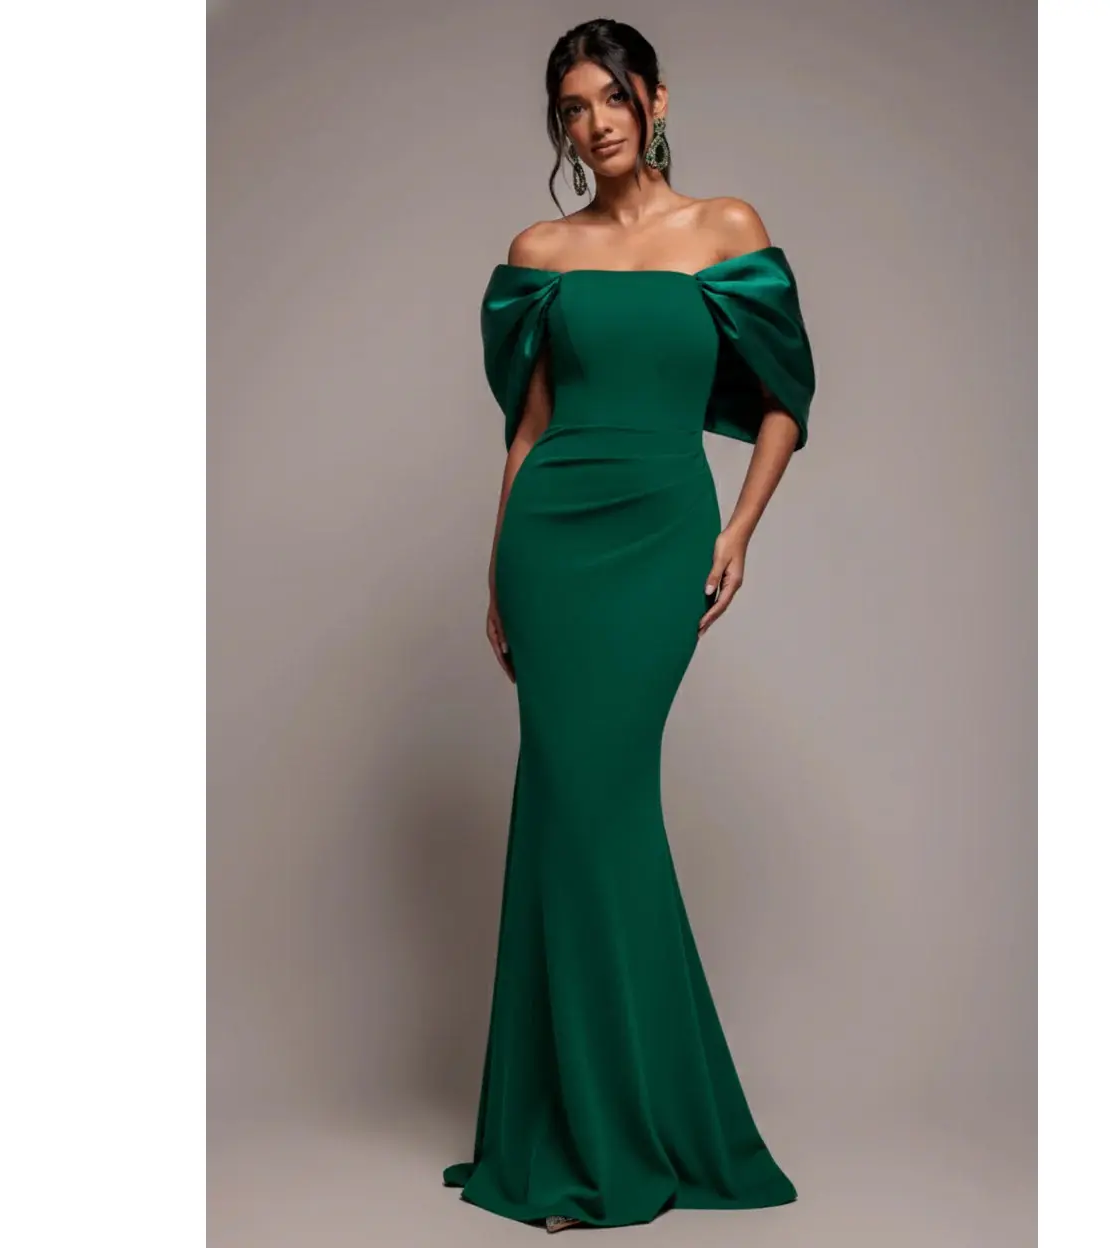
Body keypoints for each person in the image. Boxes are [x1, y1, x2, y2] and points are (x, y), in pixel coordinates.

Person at [442, 18, 815, 1234]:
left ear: (656, 99)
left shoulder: (727, 229)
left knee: (598, 804)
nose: (593, 123)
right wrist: (498, 571)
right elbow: (529, 429)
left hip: (661, 540)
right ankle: (572, 1137)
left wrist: (739, 530)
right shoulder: (540, 251)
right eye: (572, 107)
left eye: (611, 97)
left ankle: (618, 1132)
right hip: (550, 544)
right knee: (568, 810)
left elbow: (785, 402)